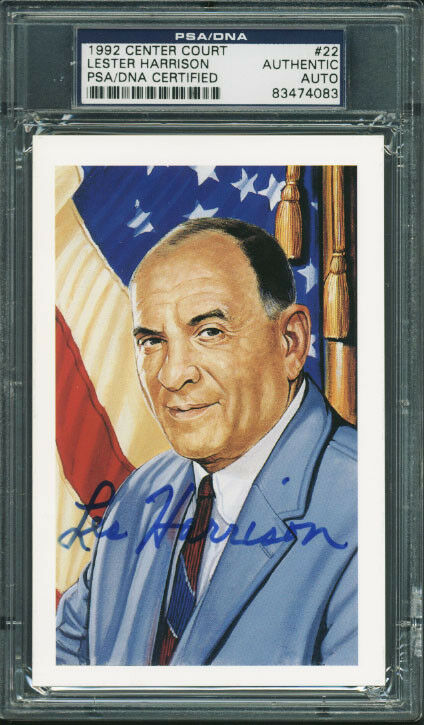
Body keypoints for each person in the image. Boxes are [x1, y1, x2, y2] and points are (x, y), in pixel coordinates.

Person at [56, 218, 357, 666]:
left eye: (209, 332)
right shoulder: (142, 494)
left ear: (290, 342)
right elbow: (56, 672)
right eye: (152, 341)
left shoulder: (370, 508)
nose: (173, 374)